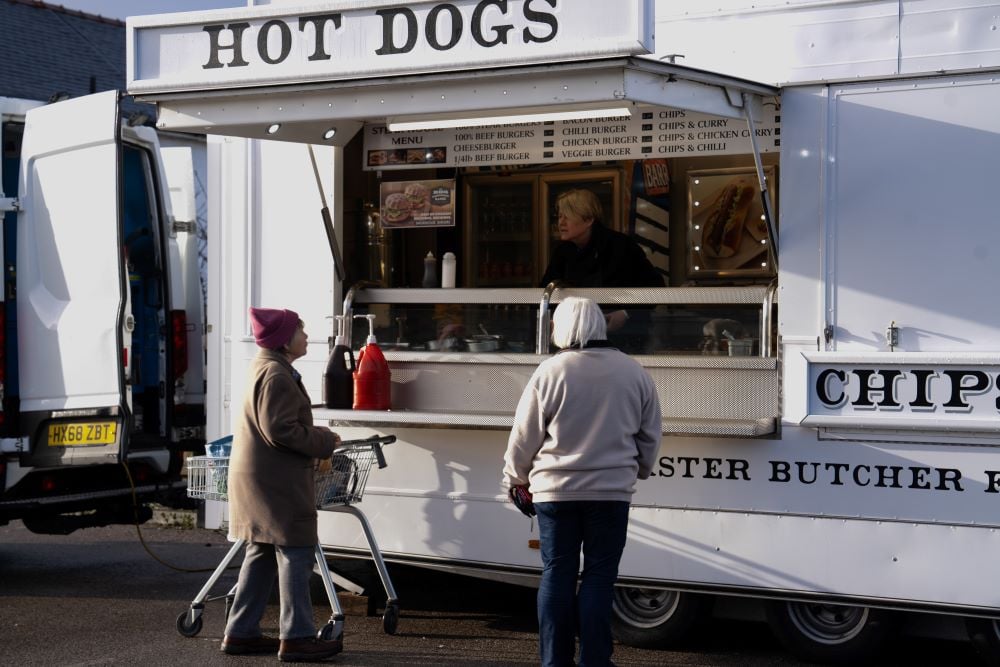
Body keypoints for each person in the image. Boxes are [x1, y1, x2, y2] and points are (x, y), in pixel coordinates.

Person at [502, 297, 662, 667]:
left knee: (557, 573)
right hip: (611, 493)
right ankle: (595, 660)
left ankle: (555, 661)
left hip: (555, 493)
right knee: (599, 577)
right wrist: (640, 467)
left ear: (564, 327)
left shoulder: (551, 371)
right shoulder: (633, 372)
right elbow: (650, 433)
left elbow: (524, 435)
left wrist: (515, 478)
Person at [221, 307, 343, 662]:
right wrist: (322, 440)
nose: (305, 336)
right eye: (300, 330)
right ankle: (297, 636)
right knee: (297, 550)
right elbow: (280, 430)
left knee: (260, 551)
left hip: (257, 478)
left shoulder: (263, 367)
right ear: (284, 340)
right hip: (277, 481)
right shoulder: (276, 375)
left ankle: (240, 632)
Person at [540, 189, 664, 352]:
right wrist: (552, 318)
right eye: (559, 216)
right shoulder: (563, 252)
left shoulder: (621, 246)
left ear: (589, 219)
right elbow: (544, 290)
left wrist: (626, 313)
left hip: (624, 342)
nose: (560, 222)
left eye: (567, 216)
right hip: (576, 341)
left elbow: (655, 285)